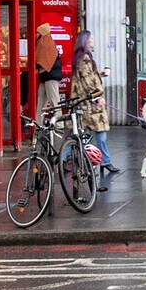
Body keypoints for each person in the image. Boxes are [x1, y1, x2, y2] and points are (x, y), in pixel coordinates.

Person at [69, 30, 113, 189]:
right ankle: (105, 161)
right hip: (91, 104)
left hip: (87, 103)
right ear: (85, 42)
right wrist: (98, 93)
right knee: (99, 133)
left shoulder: (81, 58)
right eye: (91, 39)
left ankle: (105, 161)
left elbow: (87, 77)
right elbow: (89, 83)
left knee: (82, 134)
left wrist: (100, 74)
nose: (93, 40)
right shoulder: (85, 58)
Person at [34, 24, 64, 114]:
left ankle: (59, 123)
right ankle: (39, 123)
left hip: (50, 76)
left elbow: (42, 61)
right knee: (41, 99)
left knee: (54, 101)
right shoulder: (46, 42)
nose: (36, 35)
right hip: (46, 76)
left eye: (38, 33)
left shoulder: (45, 43)